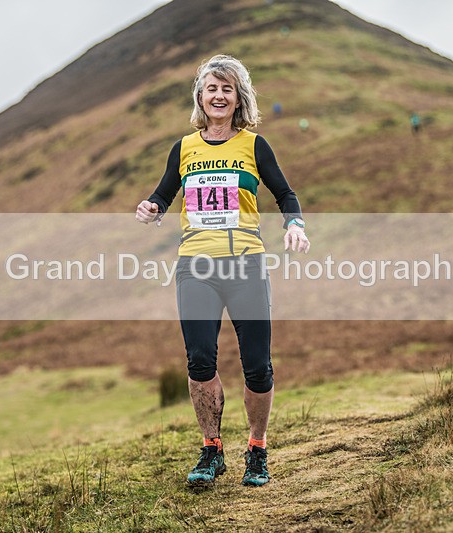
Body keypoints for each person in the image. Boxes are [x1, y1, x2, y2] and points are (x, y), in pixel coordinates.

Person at [135, 55, 309, 487]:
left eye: (227, 89)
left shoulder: (254, 146)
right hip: (196, 266)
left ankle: (257, 448)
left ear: (238, 99)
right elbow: (162, 195)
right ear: (200, 96)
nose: (218, 95)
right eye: (211, 88)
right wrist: (151, 208)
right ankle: (211, 449)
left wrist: (296, 224)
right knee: (199, 359)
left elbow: (286, 194)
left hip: (246, 264)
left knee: (257, 366)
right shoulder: (184, 148)